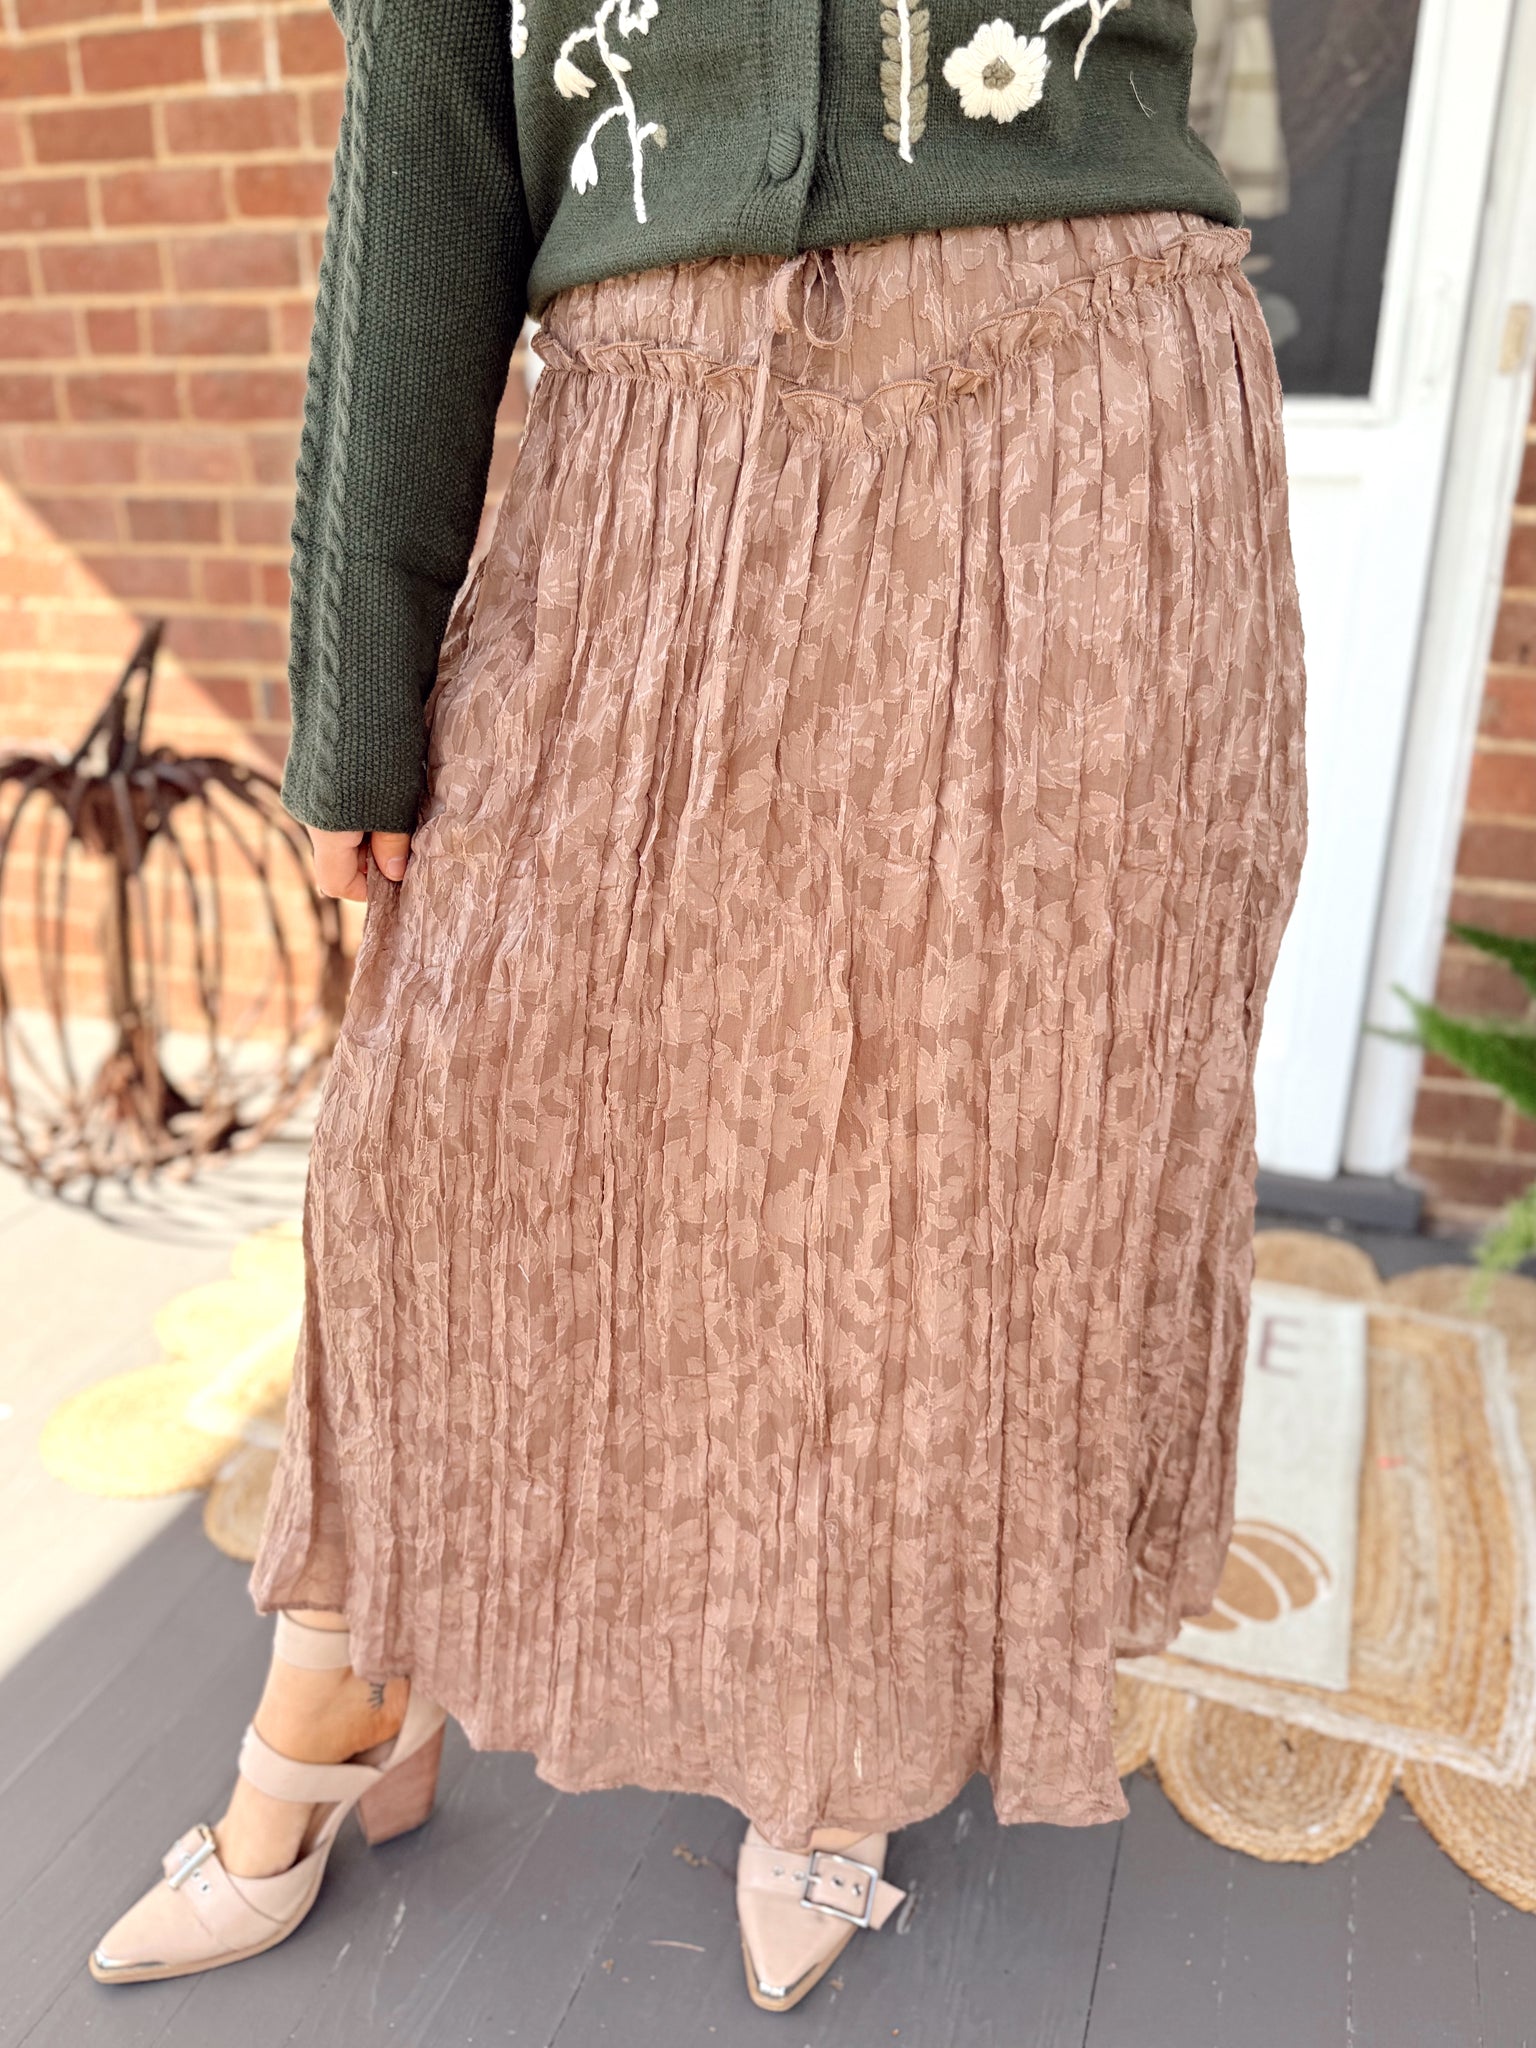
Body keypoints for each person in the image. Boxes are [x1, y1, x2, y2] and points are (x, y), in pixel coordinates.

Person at [90, 0, 1307, 2012]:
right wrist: (360, 693)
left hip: (1081, 424)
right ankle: (350, 1671)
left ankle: (839, 1733)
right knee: (447, 1132)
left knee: (935, 1154)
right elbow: (421, 158)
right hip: (642, 451)